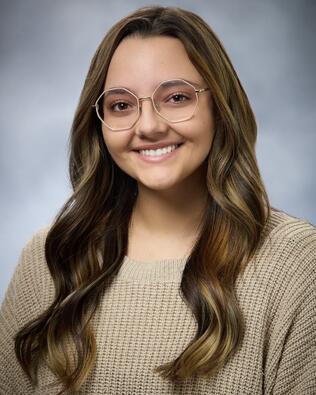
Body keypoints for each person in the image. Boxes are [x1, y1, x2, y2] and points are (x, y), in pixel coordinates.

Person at [0, 5, 315, 395]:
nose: (148, 126)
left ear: (220, 104)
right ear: (99, 124)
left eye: (177, 97)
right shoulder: (51, 259)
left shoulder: (296, 265)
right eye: (121, 105)